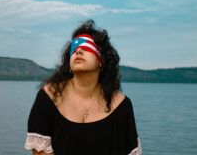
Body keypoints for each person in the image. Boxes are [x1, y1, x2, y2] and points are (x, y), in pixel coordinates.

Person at [24, 20, 142, 155]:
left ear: (102, 60)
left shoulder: (122, 105)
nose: (78, 51)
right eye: (74, 48)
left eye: (86, 46)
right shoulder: (48, 97)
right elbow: (40, 152)